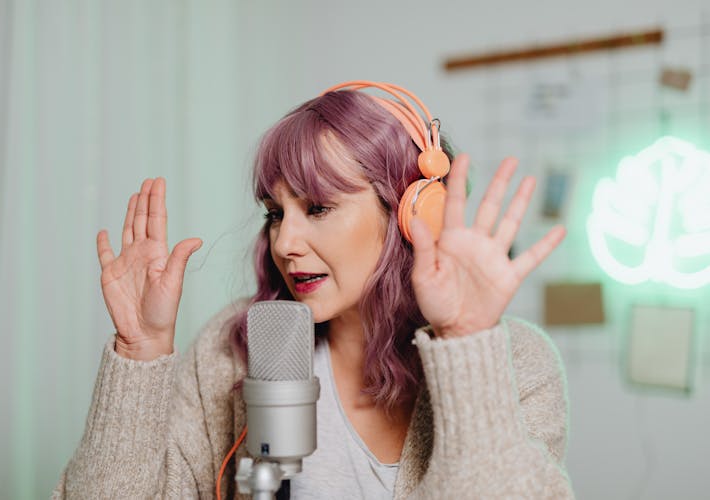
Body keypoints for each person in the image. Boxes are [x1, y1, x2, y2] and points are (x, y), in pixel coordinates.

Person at [53, 81, 574, 499]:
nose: (285, 242)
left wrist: (465, 344)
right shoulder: (231, 350)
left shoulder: (516, 364)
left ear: (409, 215)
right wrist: (139, 353)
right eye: (276, 214)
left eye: (319, 208)